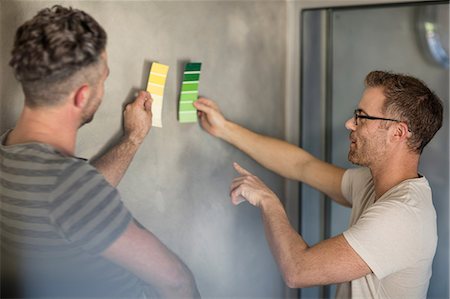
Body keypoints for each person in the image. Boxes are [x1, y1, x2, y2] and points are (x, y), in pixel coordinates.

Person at [0, 5, 200, 298]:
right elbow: (176, 281)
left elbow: (74, 207)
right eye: (104, 79)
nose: (103, 89)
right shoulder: (67, 186)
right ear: (82, 95)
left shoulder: (12, 157)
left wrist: (132, 138)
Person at [193, 70, 443, 298]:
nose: (349, 124)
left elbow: (298, 270)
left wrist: (268, 201)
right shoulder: (373, 184)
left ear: (398, 133)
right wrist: (225, 128)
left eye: (361, 117)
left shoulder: (402, 216)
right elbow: (302, 166)